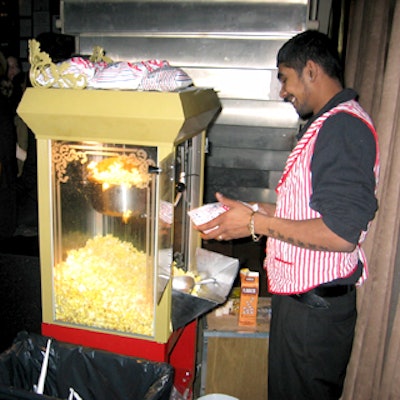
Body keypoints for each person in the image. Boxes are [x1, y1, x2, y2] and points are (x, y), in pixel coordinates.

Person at [195, 30, 379, 400]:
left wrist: (254, 224)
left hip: (314, 316)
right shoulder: (328, 125)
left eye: (285, 78)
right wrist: (255, 211)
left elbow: (340, 233)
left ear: (310, 70)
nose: (283, 92)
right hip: (303, 307)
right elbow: (309, 211)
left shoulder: (342, 128)